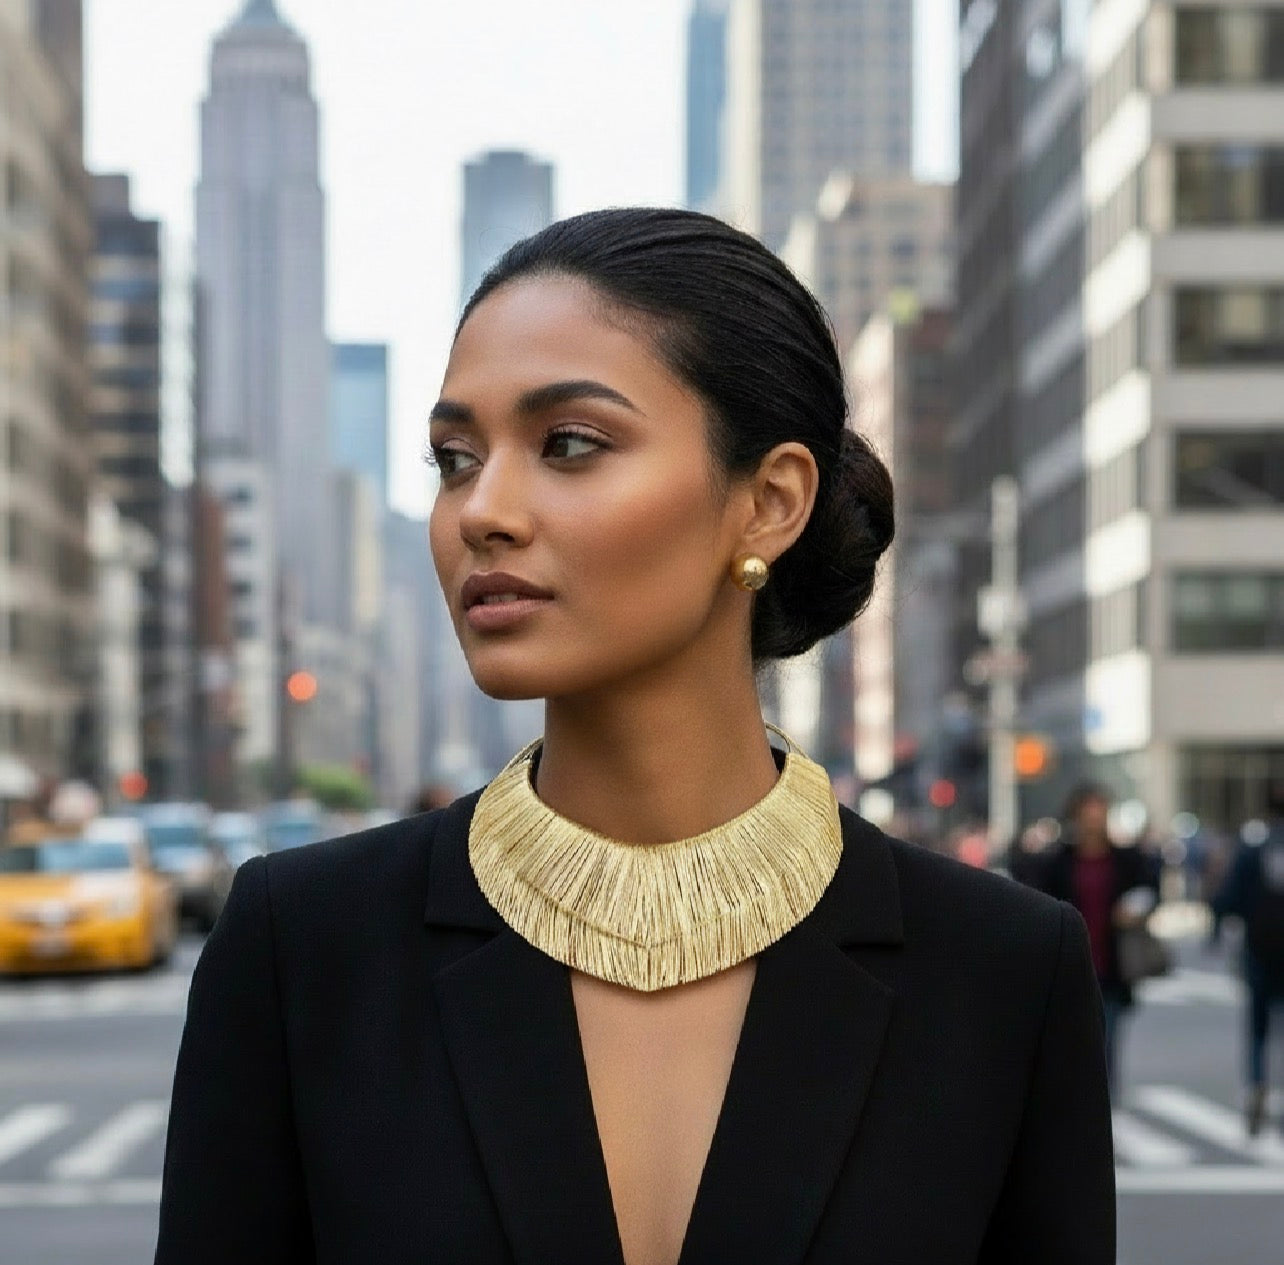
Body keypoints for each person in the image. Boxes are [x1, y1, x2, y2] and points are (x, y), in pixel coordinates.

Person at [154, 209, 1114, 1264]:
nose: (483, 508)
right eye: (454, 457)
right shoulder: (301, 947)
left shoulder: (1005, 972)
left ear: (769, 501)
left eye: (569, 443)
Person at [1021, 782, 1159, 1100]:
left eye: (1100, 812)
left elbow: (1151, 890)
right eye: (1087, 813)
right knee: (1069, 1048)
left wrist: (1135, 908)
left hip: (1112, 969)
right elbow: (1036, 896)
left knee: (1104, 1045)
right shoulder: (1058, 861)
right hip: (1070, 966)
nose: (1094, 820)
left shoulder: (1126, 859)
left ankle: (1102, 1116)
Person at [1209, 780, 1284, 1137]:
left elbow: (1228, 897)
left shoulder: (1253, 846)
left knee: (1257, 1028)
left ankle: (1257, 1084)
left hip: (1260, 948)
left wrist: (1219, 928)